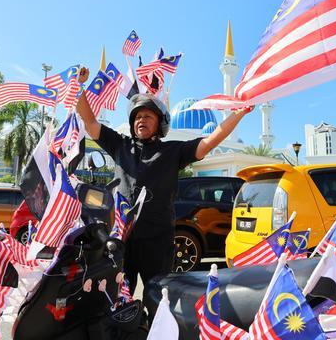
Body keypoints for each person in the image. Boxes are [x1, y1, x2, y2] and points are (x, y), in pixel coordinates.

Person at [76, 67, 251, 294]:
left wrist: (239, 113)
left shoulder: (173, 151)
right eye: (137, 116)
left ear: (160, 124)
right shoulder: (119, 145)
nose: (141, 120)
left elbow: (209, 142)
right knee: (115, 298)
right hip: (122, 241)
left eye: (148, 116)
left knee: (157, 300)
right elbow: (90, 123)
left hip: (157, 242)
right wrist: (78, 87)